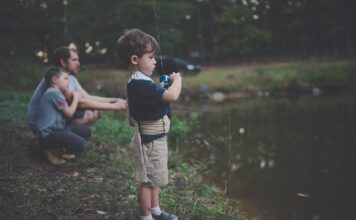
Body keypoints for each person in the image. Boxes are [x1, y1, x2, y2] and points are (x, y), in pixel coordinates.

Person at [117, 28, 182, 220]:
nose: (155, 61)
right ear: (135, 59)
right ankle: (145, 217)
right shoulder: (140, 84)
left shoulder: (141, 82)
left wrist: (162, 88)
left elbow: (157, 98)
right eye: (151, 57)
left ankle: (155, 210)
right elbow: (171, 96)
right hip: (150, 142)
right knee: (147, 181)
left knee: (154, 179)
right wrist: (177, 80)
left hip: (156, 139)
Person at [26, 46, 127, 133]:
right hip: (38, 122)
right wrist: (114, 106)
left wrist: (113, 100)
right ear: (63, 62)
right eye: (74, 60)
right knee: (88, 114)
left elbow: (87, 97)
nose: (78, 63)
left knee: (96, 111)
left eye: (78, 60)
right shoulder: (57, 79)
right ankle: (58, 142)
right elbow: (81, 102)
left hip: (55, 118)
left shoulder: (70, 78)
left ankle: (65, 141)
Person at [35, 66, 91, 165]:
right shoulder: (53, 94)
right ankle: (52, 150)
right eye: (65, 79)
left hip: (58, 130)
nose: (68, 82)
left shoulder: (57, 94)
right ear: (55, 80)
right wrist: (76, 98)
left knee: (86, 130)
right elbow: (69, 113)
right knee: (80, 144)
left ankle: (58, 148)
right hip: (47, 135)